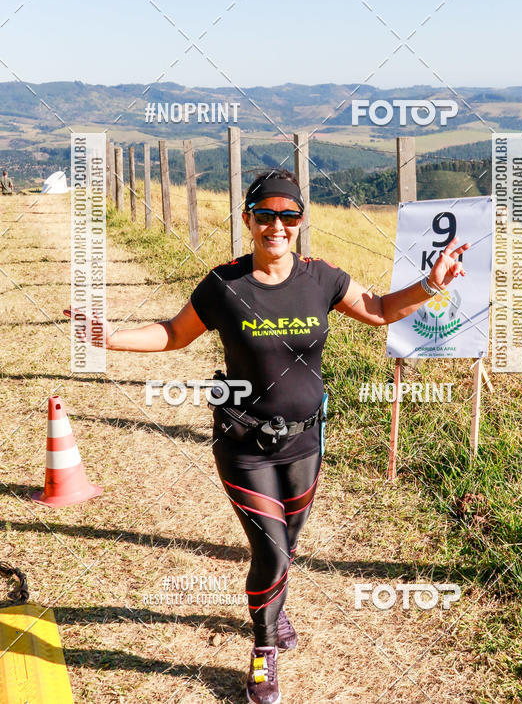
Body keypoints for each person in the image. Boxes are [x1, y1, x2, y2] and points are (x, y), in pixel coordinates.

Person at [65, 168, 469, 704]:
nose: (277, 225)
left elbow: (378, 310)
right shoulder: (224, 285)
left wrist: (432, 284)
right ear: (248, 220)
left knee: (287, 545)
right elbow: (174, 334)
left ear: (300, 222)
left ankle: (272, 612)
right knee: (274, 551)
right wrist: (108, 337)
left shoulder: (322, 279)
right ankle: (263, 650)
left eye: (289, 215)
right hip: (243, 442)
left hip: (305, 441)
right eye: (266, 215)